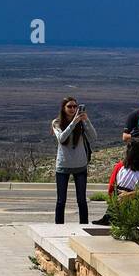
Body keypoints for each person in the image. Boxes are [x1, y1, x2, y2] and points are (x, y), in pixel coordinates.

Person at [51, 96, 96, 224]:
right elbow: (62, 138)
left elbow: (93, 136)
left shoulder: (81, 123)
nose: (72, 109)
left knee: (81, 200)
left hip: (80, 165)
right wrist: (73, 123)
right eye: (69, 106)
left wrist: (86, 121)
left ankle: (84, 225)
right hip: (63, 166)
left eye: (75, 107)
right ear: (63, 108)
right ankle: (59, 226)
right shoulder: (56, 123)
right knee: (61, 200)